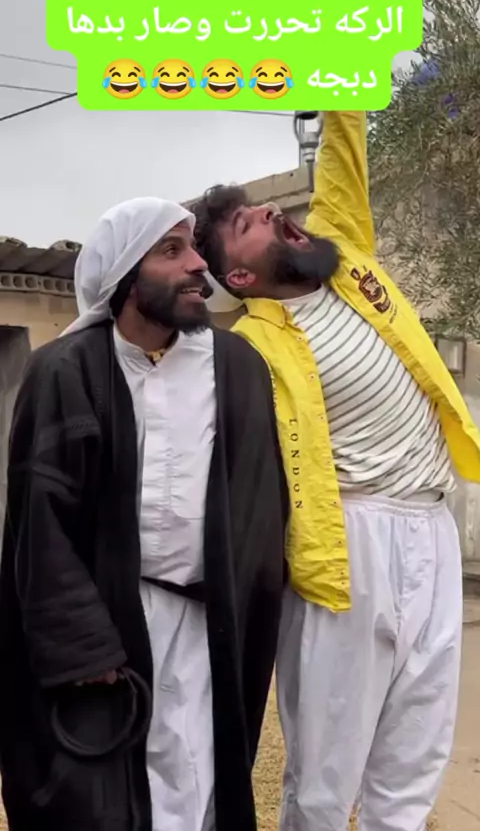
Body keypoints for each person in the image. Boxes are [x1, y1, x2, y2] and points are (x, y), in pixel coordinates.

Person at [191, 111, 480, 831]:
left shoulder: (347, 261)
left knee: (413, 759)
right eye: (246, 223)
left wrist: (334, 62)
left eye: (260, 207)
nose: (268, 212)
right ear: (240, 276)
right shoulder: (251, 346)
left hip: (433, 525)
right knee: (325, 774)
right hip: (344, 545)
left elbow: (345, 143)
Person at [0, 197, 288, 831]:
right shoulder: (65, 370)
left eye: (194, 248)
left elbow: (262, 504)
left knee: (200, 783)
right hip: (109, 630)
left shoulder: (236, 368)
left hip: (208, 628)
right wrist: (84, 647)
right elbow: (40, 523)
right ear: (126, 276)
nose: (197, 266)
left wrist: (253, 604)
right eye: (171, 251)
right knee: (100, 797)